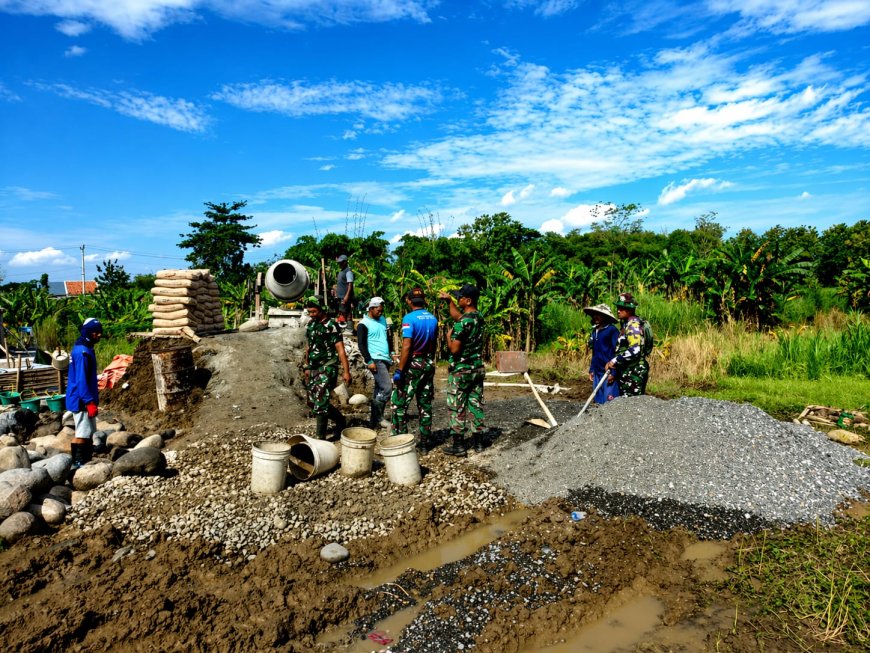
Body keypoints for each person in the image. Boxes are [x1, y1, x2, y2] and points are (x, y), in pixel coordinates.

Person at [438, 284, 485, 457]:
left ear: (468, 300)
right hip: (477, 369)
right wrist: (450, 301)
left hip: (461, 371)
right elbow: (459, 316)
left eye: (460, 298)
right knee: (475, 403)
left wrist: (449, 337)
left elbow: (455, 350)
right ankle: (478, 443)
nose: (458, 299)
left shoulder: (461, 325)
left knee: (457, 406)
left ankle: (459, 445)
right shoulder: (477, 317)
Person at [390, 287, 438, 453]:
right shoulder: (432, 318)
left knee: (399, 404)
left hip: (414, 363)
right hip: (428, 362)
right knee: (424, 403)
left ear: (409, 301)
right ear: (423, 301)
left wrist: (400, 370)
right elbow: (433, 344)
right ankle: (425, 443)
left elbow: (407, 345)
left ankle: (401, 442)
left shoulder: (409, 318)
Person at [303, 296, 351, 439]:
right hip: (314, 368)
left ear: (321, 309)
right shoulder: (311, 324)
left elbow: (340, 349)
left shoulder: (331, 325)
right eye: (309, 312)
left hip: (327, 367)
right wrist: (307, 366)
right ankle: (340, 420)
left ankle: (320, 438)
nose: (311, 314)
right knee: (312, 401)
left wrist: (346, 371)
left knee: (321, 402)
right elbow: (309, 347)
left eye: (314, 311)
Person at [66, 318, 103, 470]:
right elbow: (81, 380)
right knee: (82, 432)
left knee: (87, 432)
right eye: (96, 332)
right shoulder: (82, 353)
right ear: (88, 332)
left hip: (83, 397)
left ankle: (86, 460)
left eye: (100, 332)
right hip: (81, 399)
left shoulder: (84, 348)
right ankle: (77, 465)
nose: (99, 335)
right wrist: (89, 402)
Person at [356, 296, 393, 430]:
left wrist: (392, 352)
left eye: (382, 310)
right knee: (387, 388)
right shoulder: (363, 324)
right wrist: (369, 360)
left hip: (385, 358)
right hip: (375, 359)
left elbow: (388, 337)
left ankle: (373, 423)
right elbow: (361, 344)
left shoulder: (383, 320)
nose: (381, 312)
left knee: (378, 390)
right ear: (370, 309)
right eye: (378, 310)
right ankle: (380, 418)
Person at [604, 292, 650, 396]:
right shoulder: (626, 323)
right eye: (618, 308)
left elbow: (635, 350)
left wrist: (615, 360)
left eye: (621, 308)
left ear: (629, 310)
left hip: (634, 371)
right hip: (627, 370)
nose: (618, 311)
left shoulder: (633, 325)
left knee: (632, 404)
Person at [583, 303, 620, 404]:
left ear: (605, 317)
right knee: (598, 400)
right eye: (594, 315)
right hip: (597, 371)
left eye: (598, 314)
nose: (596, 317)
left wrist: (613, 373)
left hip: (608, 372)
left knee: (609, 402)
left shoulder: (612, 330)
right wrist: (592, 369)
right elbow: (595, 352)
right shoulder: (595, 331)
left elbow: (616, 352)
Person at [333, 254, 355, 327]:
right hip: (340, 296)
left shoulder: (348, 271)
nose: (340, 264)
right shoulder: (341, 271)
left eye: (341, 262)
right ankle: (344, 328)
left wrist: (347, 296)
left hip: (345, 296)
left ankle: (349, 328)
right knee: (342, 312)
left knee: (347, 312)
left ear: (345, 262)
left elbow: (350, 284)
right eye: (339, 262)